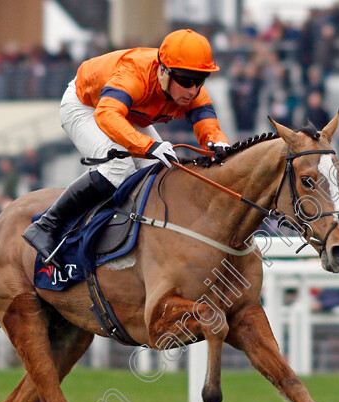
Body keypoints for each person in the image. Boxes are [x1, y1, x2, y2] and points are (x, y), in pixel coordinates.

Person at [22, 29, 230, 270]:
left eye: (199, 80)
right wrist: (148, 145)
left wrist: (217, 142)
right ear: (164, 70)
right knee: (118, 167)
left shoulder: (187, 83)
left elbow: (205, 120)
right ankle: (46, 225)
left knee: (159, 173)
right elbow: (107, 114)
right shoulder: (135, 72)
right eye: (185, 80)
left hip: (126, 112)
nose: (193, 90)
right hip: (87, 106)